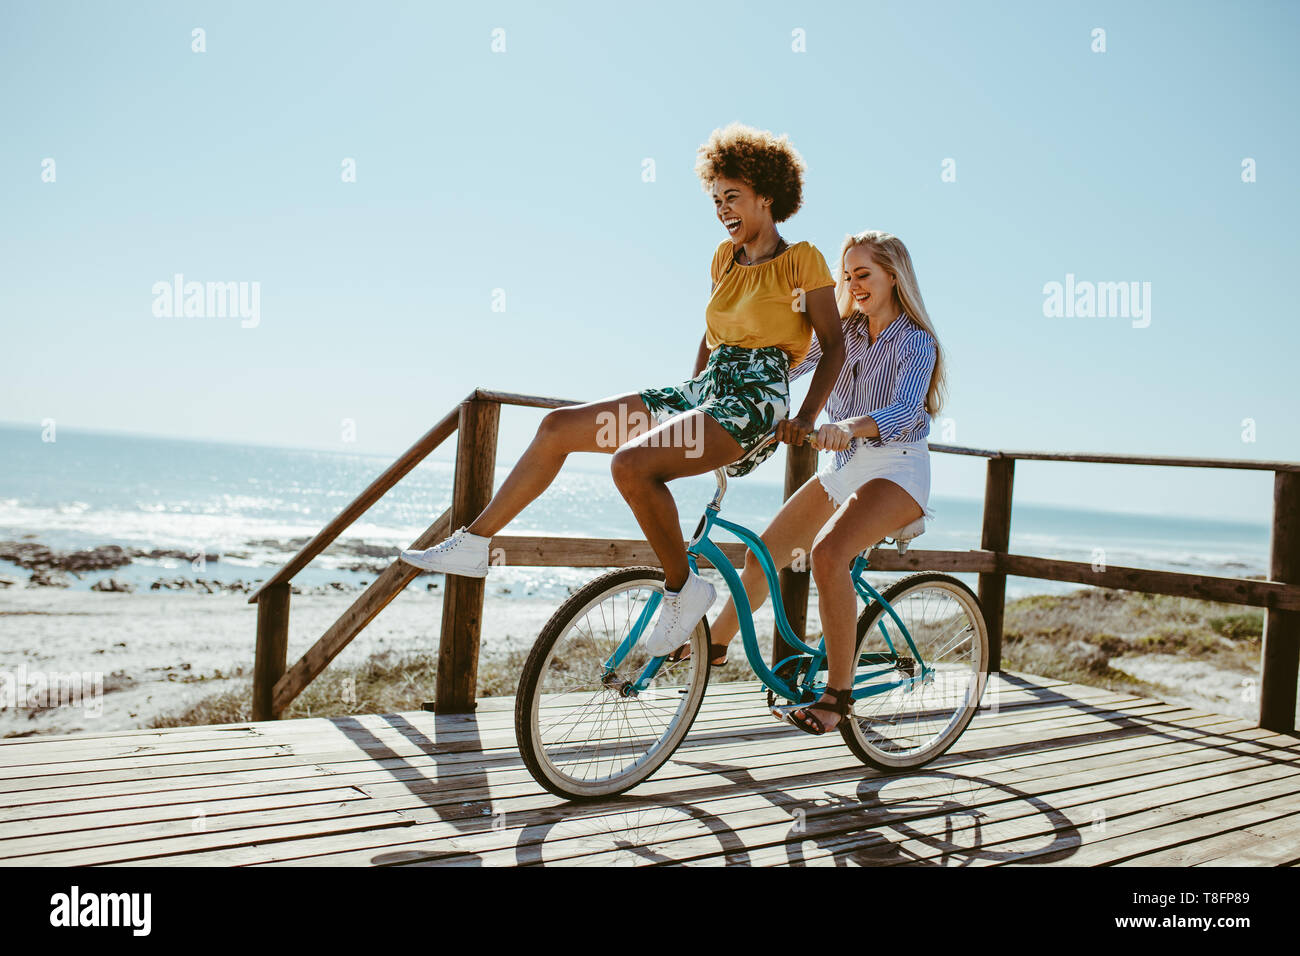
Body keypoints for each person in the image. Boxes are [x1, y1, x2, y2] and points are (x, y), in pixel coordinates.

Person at [400, 123, 846, 658]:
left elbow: (834, 346)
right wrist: (691, 396)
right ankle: (474, 543)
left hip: (757, 401)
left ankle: (685, 589)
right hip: (709, 386)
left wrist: (806, 417)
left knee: (631, 465)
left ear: (767, 195)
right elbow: (710, 338)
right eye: (715, 199)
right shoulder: (723, 259)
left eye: (733, 197)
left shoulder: (804, 260)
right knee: (557, 427)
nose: (722, 208)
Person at [697, 230, 946, 735]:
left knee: (830, 554)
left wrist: (846, 426)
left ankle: (838, 695)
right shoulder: (846, 333)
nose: (853, 285)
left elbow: (905, 409)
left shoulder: (917, 340)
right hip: (844, 466)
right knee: (764, 552)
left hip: (896, 466)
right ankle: (712, 648)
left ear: (893, 277)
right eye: (847, 275)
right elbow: (793, 362)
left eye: (864, 274)